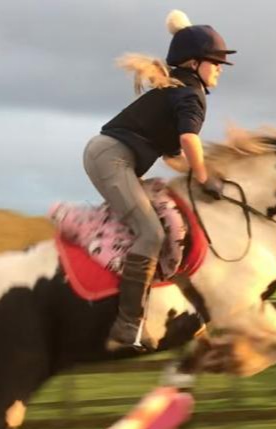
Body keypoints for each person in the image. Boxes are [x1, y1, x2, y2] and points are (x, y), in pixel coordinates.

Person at [83, 9, 236, 351]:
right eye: (215, 62)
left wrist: (201, 172)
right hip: (112, 158)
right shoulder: (191, 94)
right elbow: (189, 140)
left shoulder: (179, 89)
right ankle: (127, 326)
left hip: (109, 155)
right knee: (151, 233)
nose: (220, 69)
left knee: (154, 224)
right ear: (194, 63)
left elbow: (172, 155)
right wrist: (203, 176)